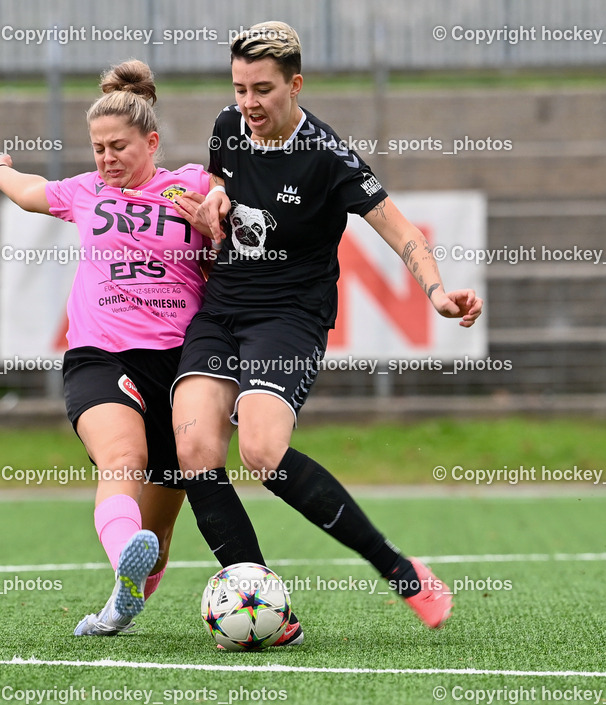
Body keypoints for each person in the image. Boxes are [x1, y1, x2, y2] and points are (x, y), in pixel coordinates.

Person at [170, 21, 483, 632]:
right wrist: (213, 200)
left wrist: (439, 294)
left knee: (261, 450)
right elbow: (219, 181)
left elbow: (403, 233)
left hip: (290, 317)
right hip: (222, 307)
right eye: (239, 88)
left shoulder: (327, 158)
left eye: (262, 89)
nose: (248, 104)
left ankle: (401, 572)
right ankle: (261, 608)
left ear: (296, 84)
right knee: (195, 449)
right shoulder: (227, 126)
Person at [0, 60, 214, 636]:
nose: (106, 159)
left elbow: (236, 216)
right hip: (99, 354)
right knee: (121, 461)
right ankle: (121, 556)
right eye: (97, 147)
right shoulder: (86, 190)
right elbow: (33, 193)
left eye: (119, 147)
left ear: (151, 142)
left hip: (179, 366)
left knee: (156, 545)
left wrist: (214, 220)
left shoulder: (194, 185)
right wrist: (0, 171)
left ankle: (120, 602)